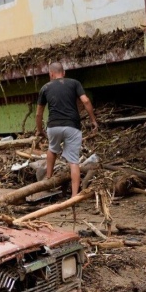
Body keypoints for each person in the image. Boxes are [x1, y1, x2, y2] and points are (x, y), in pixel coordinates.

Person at [36, 62, 98, 197]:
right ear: (63, 73)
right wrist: (93, 120)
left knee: (52, 149)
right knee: (74, 161)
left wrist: (40, 130)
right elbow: (86, 101)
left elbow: (39, 113)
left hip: (54, 126)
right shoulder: (74, 83)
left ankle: (48, 178)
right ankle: (74, 196)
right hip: (72, 126)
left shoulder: (45, 87)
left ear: (51, 74)